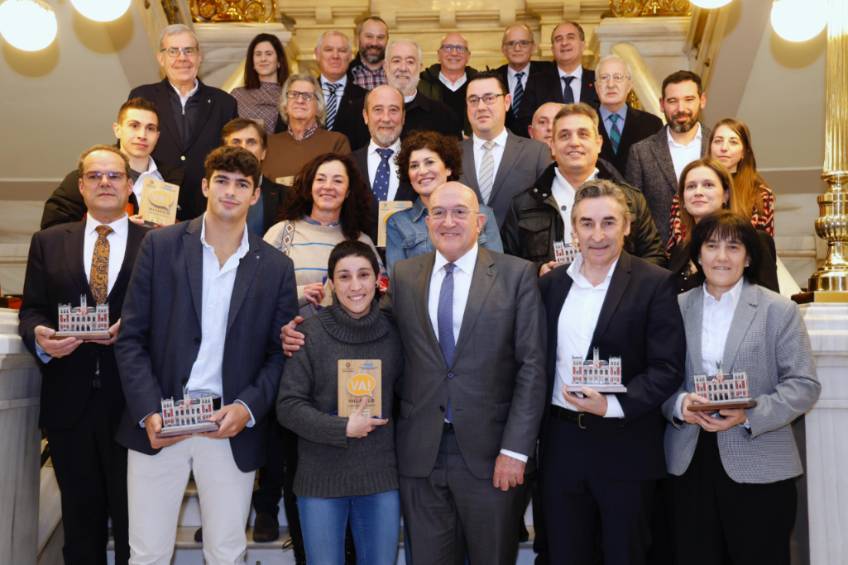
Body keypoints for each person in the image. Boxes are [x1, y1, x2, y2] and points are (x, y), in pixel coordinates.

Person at [283, 182, 547, 564]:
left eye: (459, 212)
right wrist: (299, 329)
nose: (448, 221)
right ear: (427, 223)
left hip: (492, 455)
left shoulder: (516, 274)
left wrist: (515, 450)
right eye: (438, 212)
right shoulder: (406, 275)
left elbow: (532, 368)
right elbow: (365, 324)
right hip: (420, 455)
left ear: (479, 222)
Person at [114, 146, 298, 564]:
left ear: (255, 195)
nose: (230, 192)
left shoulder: (275, 267)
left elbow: (279, 354)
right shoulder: (159, 246)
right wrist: (148, 411)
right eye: (222, 181)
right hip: (161, 421)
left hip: (227, 425)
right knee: (146, 554)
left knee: (227, 553)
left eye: (242, 184)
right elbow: (131, 338)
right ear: (204, 186)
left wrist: (247, 408)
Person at [538, 180, 684, 565]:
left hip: (625, 445)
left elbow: (667, 368)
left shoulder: (655, 283)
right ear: (573, 229)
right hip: (562, 446)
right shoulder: (550, 286)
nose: (598, 235)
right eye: (587, 224)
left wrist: (613, 405)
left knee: (624, 555)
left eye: (608, 222)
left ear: (627, 226)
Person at [662, 211, 820, 565]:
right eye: (711, 246)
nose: (721, 257)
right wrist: (680, 404)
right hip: (689, 462)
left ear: (748, 257)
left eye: (733, 247)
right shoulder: (675, 308)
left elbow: (804, 384)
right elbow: (658, 376)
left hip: (760, 462)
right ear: (697, 255)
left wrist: (749, 414)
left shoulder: (778, 310)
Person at [20, 145, 149, 565]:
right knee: (79, 529)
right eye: (95, 176)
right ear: (80, 186)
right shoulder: (48, 242)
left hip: (133, 407)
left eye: (114, 175)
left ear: (129, 186)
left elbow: (172, 316)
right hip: (68, 404)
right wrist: (39, 337)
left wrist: (133, 329)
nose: (104, 183)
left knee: (136, 530)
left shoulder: (157, 243)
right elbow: (33, 309)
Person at [277, 240, 403, 565]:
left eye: (364, 275)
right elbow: (288, 406)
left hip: (380, 478)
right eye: (344, 277)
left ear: (378, 280)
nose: (355, 286)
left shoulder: (396, 334)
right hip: (321, 479)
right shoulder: (308, 334)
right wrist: (342, 427)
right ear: (331, 284)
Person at [501, 103, 665, 273]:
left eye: (583, 134)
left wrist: (623, 277)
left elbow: (655, 256)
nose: (574, 142)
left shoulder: (631, 200)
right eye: (564, 135)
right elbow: (508, 263)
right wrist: (537, 271)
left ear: (599, 143)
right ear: (552, 146)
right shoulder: (524, 204)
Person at [129, 24, 238, 220]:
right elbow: (126, 149)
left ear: (199, 57)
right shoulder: (142, 96)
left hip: (207, 209)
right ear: (161, 58)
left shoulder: (224, 102)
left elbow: (232, 159)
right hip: (153, 209)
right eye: (173, 51)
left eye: (189, 50)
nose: (182, 58)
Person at [263, 153, 380, 316]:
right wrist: (300, 293)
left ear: (348, 191)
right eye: (320, 179)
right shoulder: (281, 233)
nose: (328, 186)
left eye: (338, 181)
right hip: (289, 330)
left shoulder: (361, 240)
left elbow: (380, 288)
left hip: (348, 331)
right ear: (310, 186)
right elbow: (258, 288)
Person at [41, 97, 182, 229]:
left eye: (150, 128)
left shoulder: (175, 179)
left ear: (157, 136)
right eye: (134, 126)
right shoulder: (88, 176)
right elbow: (52, 230)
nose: (142, 135)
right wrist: (114, 229)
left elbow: (191, 229)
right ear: (117, 130)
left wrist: (175, 228)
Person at [387, 130, 502, 272]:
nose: (422, 171)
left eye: (429, 162)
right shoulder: (398, 222)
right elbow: (398, 278)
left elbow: (496, 271)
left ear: (448, 168)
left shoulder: (482, 213)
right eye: (414, 166)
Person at [667, 158, 778, 293]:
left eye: (708, 185)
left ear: (726, 195)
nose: (698, 192)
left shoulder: (755, 241)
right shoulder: (680, 250)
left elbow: (770, 302)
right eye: (691, 186)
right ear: (683, 199)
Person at [626, 70, 710, 245]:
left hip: (714, 250)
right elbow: (633, 214)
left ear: (702, 100)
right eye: (673, 101)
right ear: (662, 104)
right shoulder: (641, 152)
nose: (681, 109)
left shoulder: (719, 146)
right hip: (660, 255)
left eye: (689, 99)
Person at [459, 71, 552, 227]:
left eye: (489, 98)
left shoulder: (536, 152)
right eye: (473, 100)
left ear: (507, 102)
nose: (481, 107)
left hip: (519, 242)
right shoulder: (452, 154)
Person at [668, 118, 775, 243]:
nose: (724, 148)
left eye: (733, 142)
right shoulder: (689, 191)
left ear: (744, 152)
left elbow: (763, 246)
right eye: (718, 141)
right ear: (710, 147)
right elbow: (676, 245)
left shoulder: (760, 194)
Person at [350, 85, 417, 242]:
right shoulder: (348, 164)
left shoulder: (419, 164)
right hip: (360, 254)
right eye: (378, 110)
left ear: (403, 117)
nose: (386, 118)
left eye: (393, 110)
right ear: (365, 116)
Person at [263, 73, 351, 186]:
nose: (300, 100)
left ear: (318, 107)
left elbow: (342, 185)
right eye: (293, 94)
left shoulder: (337, 142)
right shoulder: (269, 144)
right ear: (285, 106)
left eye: (307, 96)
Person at [516, 21, 599, 134]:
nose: (564, 43)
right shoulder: (537, 82)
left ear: (582, 45)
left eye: (570, 37)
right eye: (558, 39)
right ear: (552, 49)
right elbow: (524, 122)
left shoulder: (597, 80)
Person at [594, 55, 663, 176]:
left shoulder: (652, 124)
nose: (610, 84)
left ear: (630, 85)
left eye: (618, 77)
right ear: (596, 87)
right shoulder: (583, 123)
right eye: (604, 78)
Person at [384, 39, 462, 138]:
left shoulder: (444, 115)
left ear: (420, 67)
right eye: (396, 61)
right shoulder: (367, 111)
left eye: (410, 62)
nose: (403, 68)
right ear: (385, 66)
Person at [221, 118, 287, 236]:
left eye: (251, 142)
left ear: (264, 153)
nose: (243, 148)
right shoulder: (207, 191)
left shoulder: (285, 197)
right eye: (236, 142)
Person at [493, 23, 554, 135]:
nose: (517, 48)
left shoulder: (549, 72)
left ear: (533, 47)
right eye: (511, 43)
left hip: (540, 143)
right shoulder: (494, 78)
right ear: (503, 49)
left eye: (524, 43)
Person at [315, 31, 370, 150]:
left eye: (342, 50)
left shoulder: (365, 97)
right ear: (317, 54)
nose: (335, 56)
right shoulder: (302, 94)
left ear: (350, 56)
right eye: (328, 50)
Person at [418, 32, 479, 135]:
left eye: (460, 48)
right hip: (432, 144)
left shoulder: (479, 84)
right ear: (439, 55)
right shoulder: (421, 85)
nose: (454, 53)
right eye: (448, 48)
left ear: (468, 56)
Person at [230, 33, 290, 134]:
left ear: (279, 61)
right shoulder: (237, 95)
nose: (263, 59)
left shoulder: (289, 96)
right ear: (252, 62)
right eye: (258, 54)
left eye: (268, 54)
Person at [349, 16, 390, 90]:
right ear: (357, 39)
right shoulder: (345, 73)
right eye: (369, 36)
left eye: (380, 37)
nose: (374, 43)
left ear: (387, 40)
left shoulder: (397, 72)